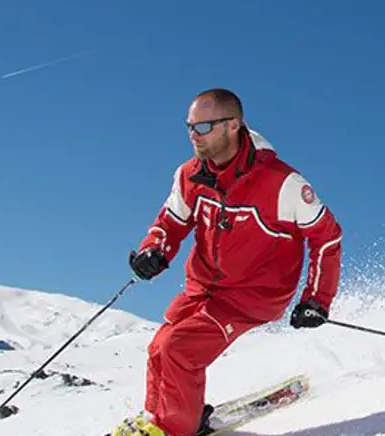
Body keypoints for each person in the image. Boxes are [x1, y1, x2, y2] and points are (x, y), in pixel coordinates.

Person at [118, 88, 344, 436]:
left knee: (180, 350)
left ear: (233, 125)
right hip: (204, 286)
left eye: (204, 126)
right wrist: (155, 250)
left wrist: (316, 299)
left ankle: (174, 428)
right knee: (159, 347)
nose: (194, 135)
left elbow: (326, 237)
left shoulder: (282, 183)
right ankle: (156, 418)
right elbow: (171, 222)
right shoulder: (190, 175)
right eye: (190, 127)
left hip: (252, 296)